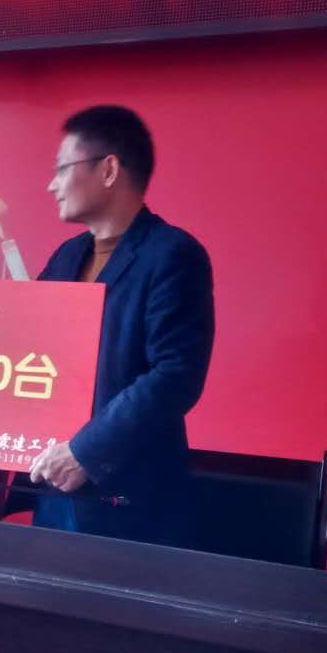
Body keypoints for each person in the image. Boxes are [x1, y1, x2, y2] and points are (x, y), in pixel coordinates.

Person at [29, 105, 215, 546]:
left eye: (62, 168)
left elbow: (175, 375)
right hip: (54, 489)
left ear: (109, 169)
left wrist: (85, 452)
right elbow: (31, 347)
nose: (52, 184)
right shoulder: (66, 257)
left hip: (128, 501)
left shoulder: (173, 254)